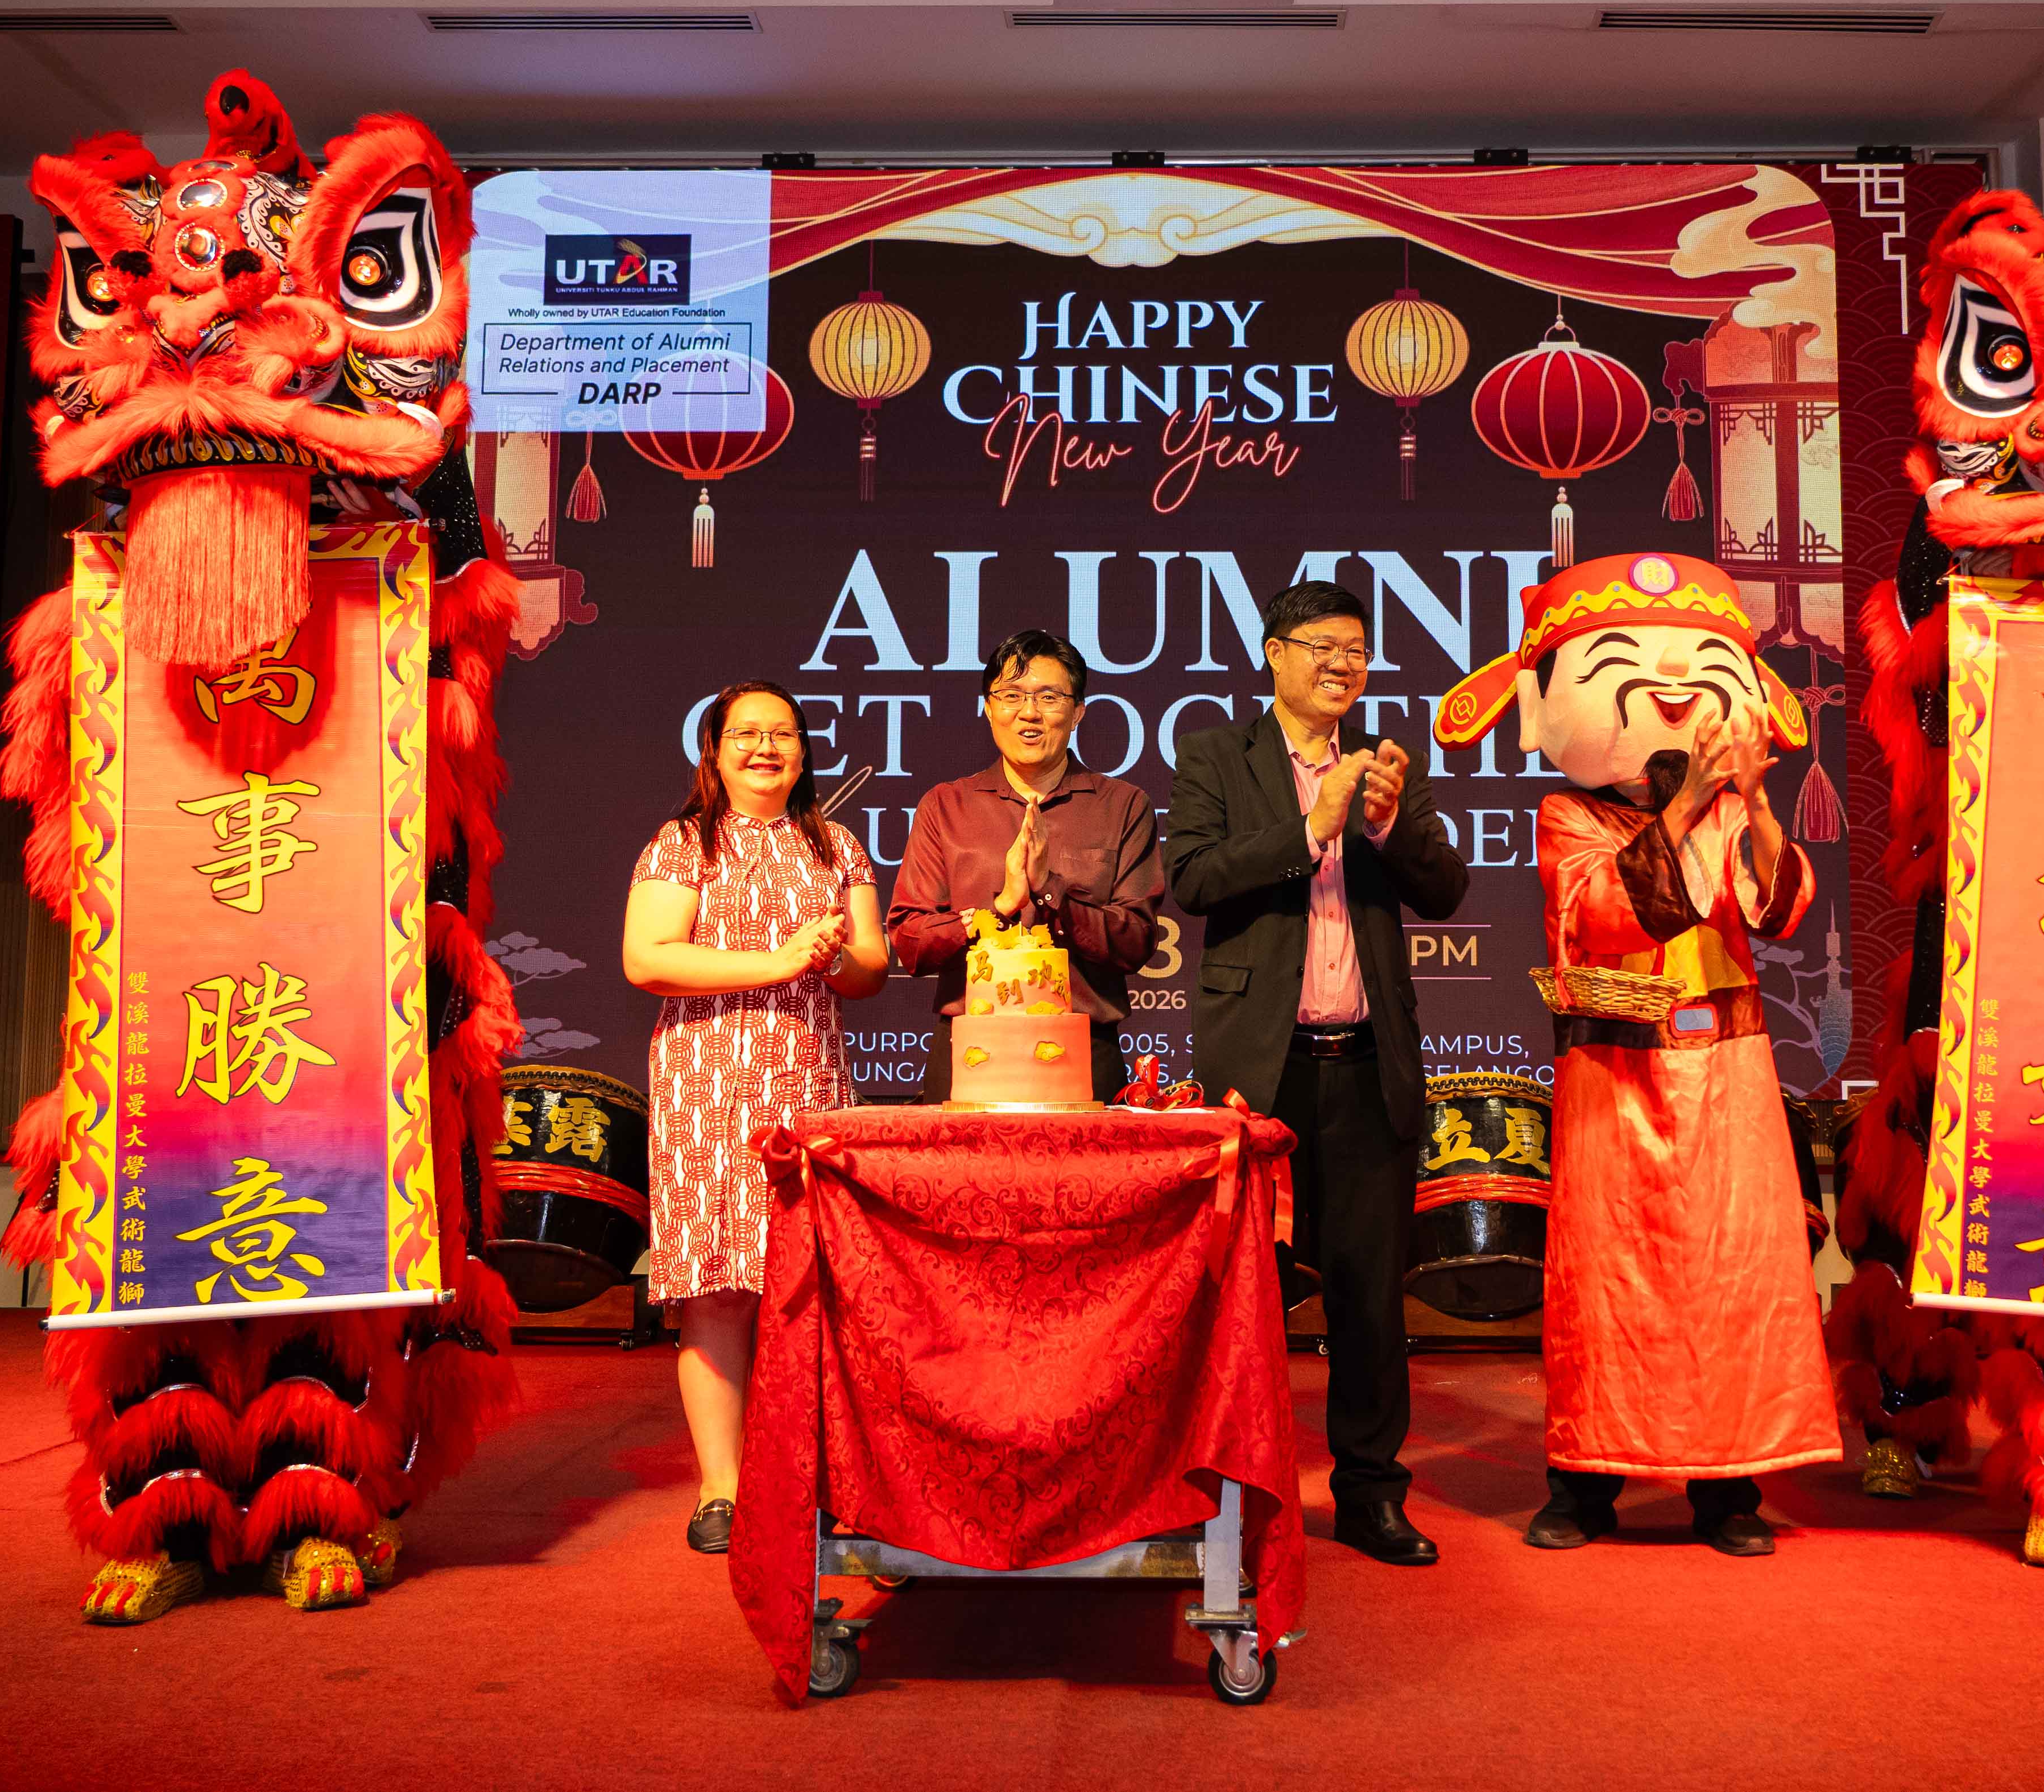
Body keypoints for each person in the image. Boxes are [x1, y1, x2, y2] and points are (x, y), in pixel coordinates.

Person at [1433, 550, 1838, 1558]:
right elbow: (1618, 916)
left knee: (1731, 1279)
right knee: (1611, 1283)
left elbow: (1778, 911)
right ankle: (1586, 1480)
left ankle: (1727, 1488)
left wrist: (1752, 805)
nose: (1671, 690)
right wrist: (1693, 802)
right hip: (1616, 1077)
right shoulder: (1570, 816)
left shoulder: (1729, 807)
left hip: (1731, 1073)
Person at [1168, 580, 1470, 1566]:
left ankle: (1374, 1493)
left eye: (1359, 650)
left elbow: (1444, 887)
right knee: (1240, 1296)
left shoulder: (1383, 764)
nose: (1344, 664)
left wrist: (1380, 823)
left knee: (1368, 1299)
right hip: (1261, 1070)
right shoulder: (1219, 754)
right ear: (1274, 653)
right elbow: (1195, 877)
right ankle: (1235, 1497)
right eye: (1324, 646)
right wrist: (1310, 828)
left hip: (1365, 1066)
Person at [622, 681, 888, 1555]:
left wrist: (834, 951)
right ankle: (722, 1488)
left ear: (805, 753)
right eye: (746, 733)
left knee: (808, 1288)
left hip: (806, 1080)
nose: (764, 747)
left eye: (782, 733)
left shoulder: (837, 842)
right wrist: (775, 960)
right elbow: (648, 957)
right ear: (715, 749)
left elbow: (870, 969)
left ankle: (812, 1475)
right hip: (703, 1083)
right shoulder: (680, 841)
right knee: (715, 1290)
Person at [886, 630, 1165, 1102]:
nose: (1029, 713)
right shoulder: (946, 805)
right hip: (969, 1049)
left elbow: (1136, 942)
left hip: (1083, 1052)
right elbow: (911, 942)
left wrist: (1050, 889)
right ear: (989, 709)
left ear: (1078, 712)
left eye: (1049, 697)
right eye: (1011, 696)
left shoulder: (1123, 805)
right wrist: (997, 909)